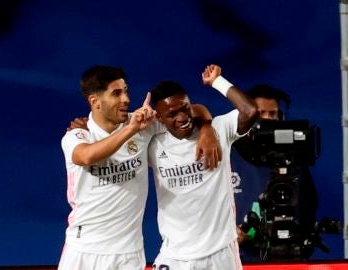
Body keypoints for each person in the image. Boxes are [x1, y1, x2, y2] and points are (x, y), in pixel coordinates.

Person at [58, 65, 221, 270]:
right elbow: (86, 156)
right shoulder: (78, 135)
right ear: (95, 101)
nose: (125, 99)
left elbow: (192, 109)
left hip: (129, 254)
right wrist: (131, 129)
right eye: (116, 93)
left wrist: (207, 129)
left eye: (125, 91)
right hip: (84, 250)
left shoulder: (143, 123)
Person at [148, 64, 258, 270]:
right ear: (159, 118)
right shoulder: (152, 144)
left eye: (185, 109)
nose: (182, 118)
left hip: (220, 254)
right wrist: (87, 128)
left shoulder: (219, 129)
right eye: (172, 114)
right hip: (174, 256)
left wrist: (217, 82)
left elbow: (250, 111)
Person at [232, 84, 318, 261]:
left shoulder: (296, 161)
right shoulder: (228, 155)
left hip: (287, 258)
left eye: (273, 114)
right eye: (261, 113)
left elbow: (308, 208)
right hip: (239, 258)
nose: (268, 119)